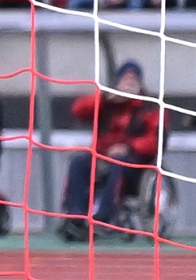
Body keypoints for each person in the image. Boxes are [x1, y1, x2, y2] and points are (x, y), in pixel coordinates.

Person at [60, 59, 161, 241]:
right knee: (78, 163)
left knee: (118, 164)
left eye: (133, 80)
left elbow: (155, 140)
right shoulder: (106, 103)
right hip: (102, 157)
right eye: (125, 79)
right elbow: (78, 110)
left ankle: (105, 217)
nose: (128, 84)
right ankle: (76, 217)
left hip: (135, 162)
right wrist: (104, 98)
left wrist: (129, 147)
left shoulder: (149, 107)